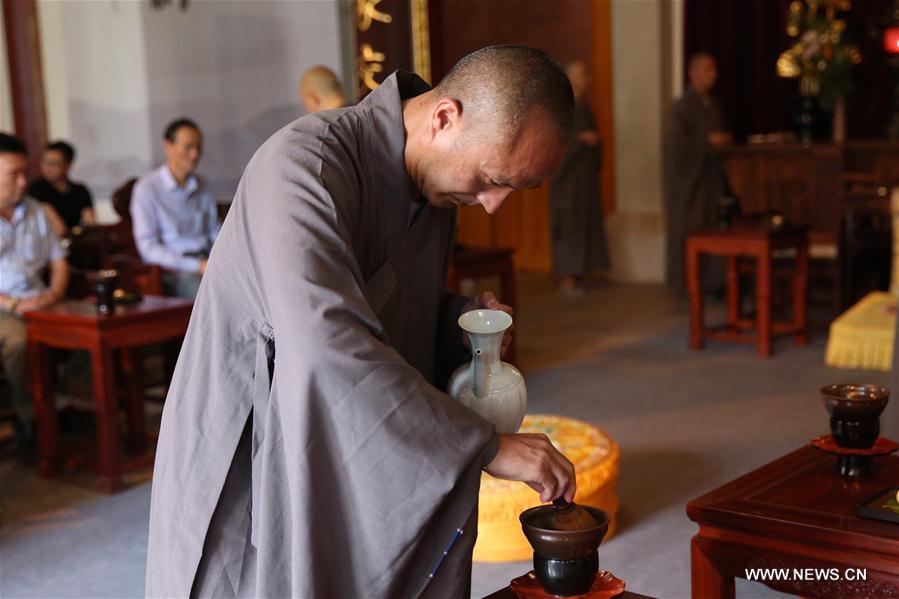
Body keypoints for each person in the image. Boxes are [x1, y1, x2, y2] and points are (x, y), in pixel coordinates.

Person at [146, 45, 577, 598]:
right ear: (444, 118)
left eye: (516, 190)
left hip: (346, 434)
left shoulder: (431, 188)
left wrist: (459, 321)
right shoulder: (304, 168)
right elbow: (329, 343)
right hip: (260, 446)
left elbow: (387, 305)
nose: (493, 205)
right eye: (493, 178)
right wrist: (487, 445)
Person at [0, 133, 69, 442]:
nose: (22, 182)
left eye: (24, 173)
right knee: (18, 341)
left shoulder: (36, 211)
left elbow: (59, 261)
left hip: (42, 299)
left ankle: (70, 406)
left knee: (95, 327)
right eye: (13, 175)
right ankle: (32, 419)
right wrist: (14, 305)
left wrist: (54, 294)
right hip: (5, 307)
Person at [665, 52, 733, 294]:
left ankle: (713, 283)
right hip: (690, 183)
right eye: (707, 69)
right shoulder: (682, 106)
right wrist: (707, 142)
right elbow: (677, 147)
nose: (712, 75)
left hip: (710, 179)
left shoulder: (714, 104)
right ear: (692, 73)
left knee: (714, 227)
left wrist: (721, 141)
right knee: (691, 228)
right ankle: (687, 284)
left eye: (714, 70)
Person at [130, 118, 220, 299]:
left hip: (207, 261)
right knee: (213, 300)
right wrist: (196, 266)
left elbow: (214, 232)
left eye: (198, 147)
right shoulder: (147, 188)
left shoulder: (202, 185)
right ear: (168, 146)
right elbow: (148, 249)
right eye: (188, 147)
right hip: (174, 270)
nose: (195, 154)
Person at [549, 61, 610, 293]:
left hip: (584, 178)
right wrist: (579, 141)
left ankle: (584, 270)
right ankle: (567, 275)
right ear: (570, 78)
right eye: (583, 75)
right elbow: (554, 144)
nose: (588, 80)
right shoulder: (560, 108)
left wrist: (594, 142)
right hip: (566, 181)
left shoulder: (585, 107)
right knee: (569, 225)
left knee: (586, 223)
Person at [27, 140, 95, 234]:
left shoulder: (80, 190)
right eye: (44, 161)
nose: (47, 167)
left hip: (76, 242)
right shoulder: (36, 188)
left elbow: (90, 223)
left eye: (53, 163)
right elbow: (60, 229)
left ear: (68, 165)